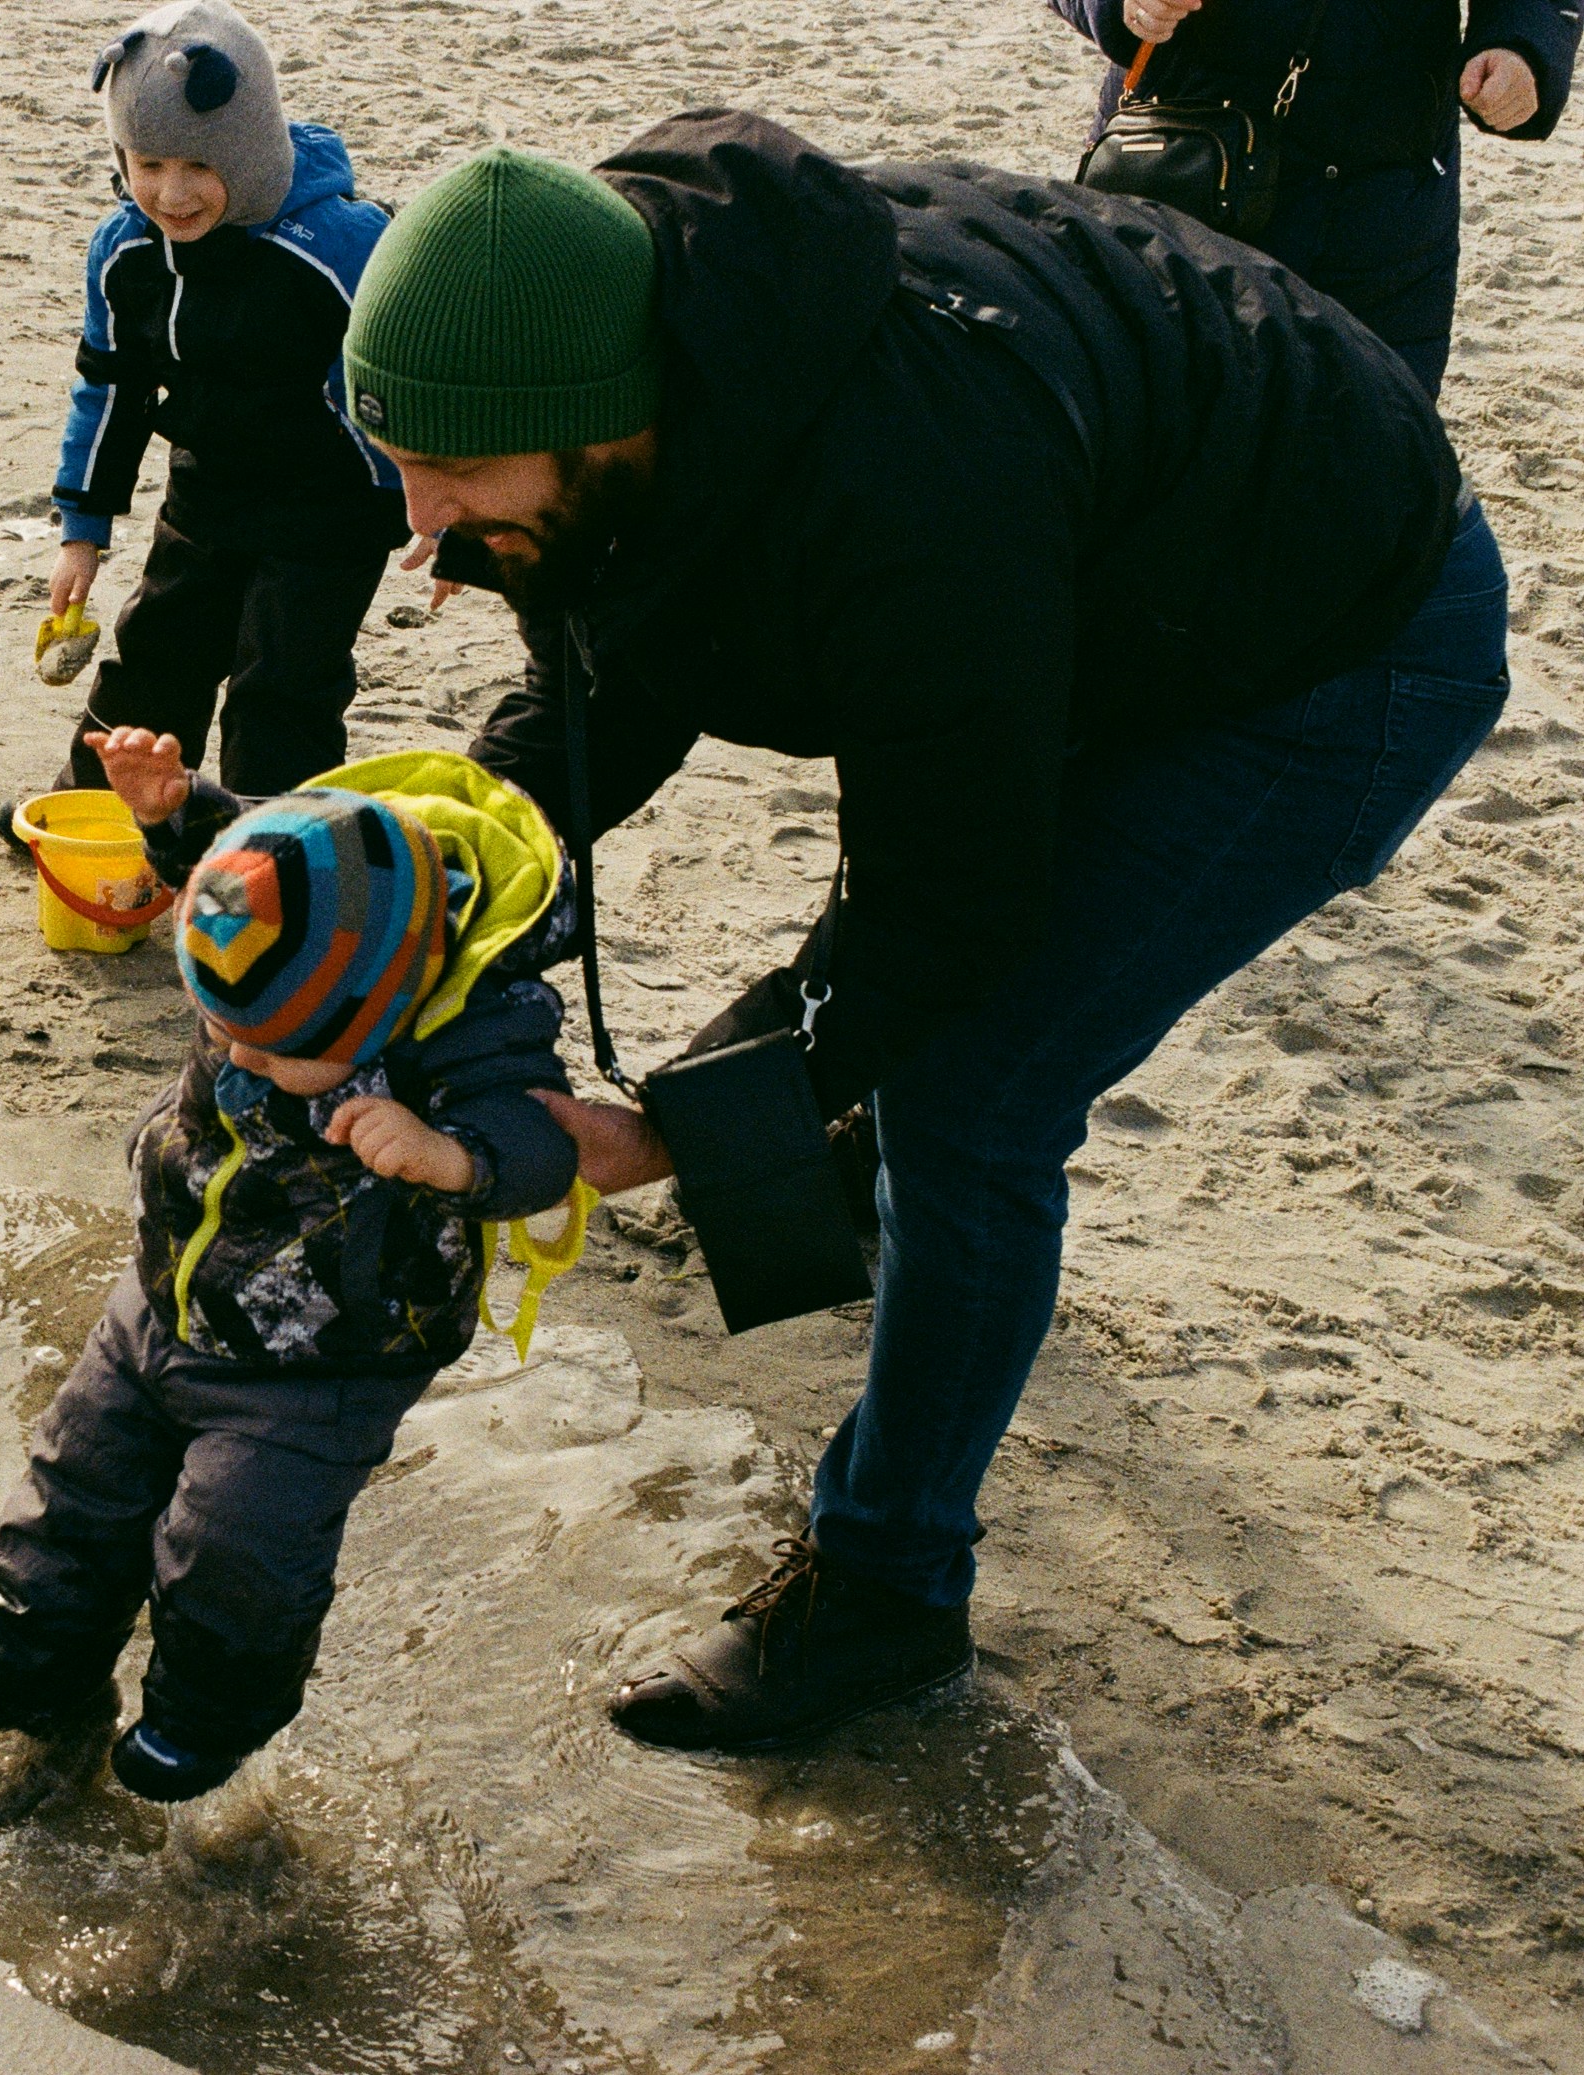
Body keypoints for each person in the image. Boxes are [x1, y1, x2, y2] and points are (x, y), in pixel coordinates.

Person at [340, 117, 1505, 1750]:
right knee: (889, 1062)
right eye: (401, 463)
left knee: (979, 1092)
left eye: (457, 478)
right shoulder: (596, 357)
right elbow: (609, 674)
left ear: (612, 427)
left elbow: (949, 907)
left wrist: (660, 1132)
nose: (422, 526)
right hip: (1128, 577)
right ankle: (834, 1219)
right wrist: (407, 888)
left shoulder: (907, 482)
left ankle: (886, 1601)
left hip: (1338, 648)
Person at [0, 726, 593, 1802]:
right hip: (169, 1287)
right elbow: (238, 860)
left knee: (235, 1544)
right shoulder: (294, 911)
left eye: (273, 1050)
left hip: (327, 1353)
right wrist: (169, 811)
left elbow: (546, 1140)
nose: (240, 1058)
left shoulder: (466, 1027)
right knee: (77, 1481)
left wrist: (454, 1157)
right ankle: (33, 1659)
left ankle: (202, 1716)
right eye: (219, 1034)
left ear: (387, 1011)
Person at [0, 0, 406, 855]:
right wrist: (83, 530)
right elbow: (110, 390)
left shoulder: (337, 245)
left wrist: (429, 502)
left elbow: (403, 380)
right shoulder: (127, 250)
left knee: (279, 686)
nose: (170, 194)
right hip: (208, 488)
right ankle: (100, 810)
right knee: (157, 652)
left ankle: (274, 855)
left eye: (197, 165)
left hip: (330, 509)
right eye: (146, 164)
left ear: (249, 152)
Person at [1049, 0, 1576, 394]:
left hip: (1382, 209)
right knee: (1157, 476)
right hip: (1184, 176)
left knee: (1364, 486)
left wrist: (1522, 46)